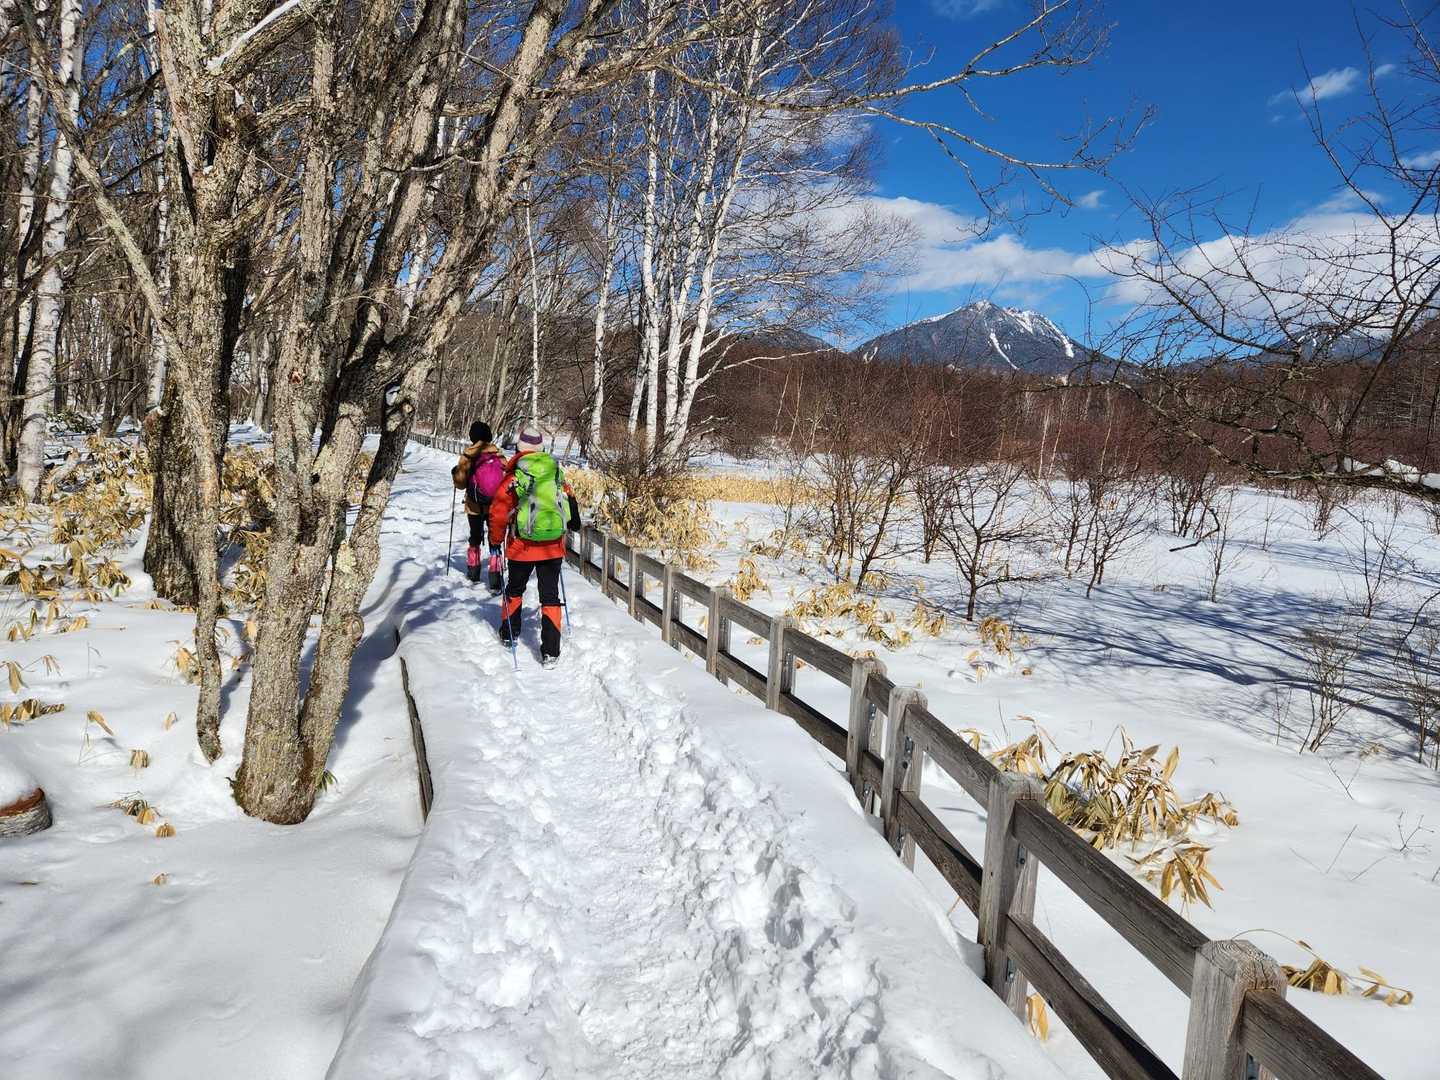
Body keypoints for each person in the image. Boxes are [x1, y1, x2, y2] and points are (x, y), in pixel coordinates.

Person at [488, 424, 581, 666]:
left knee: (514, 590)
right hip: (552, 545)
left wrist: (495, 539)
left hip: (522, 546)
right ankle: (551, 651)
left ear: (520, 447)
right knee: (550, 595)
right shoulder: (555, 472)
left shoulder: (514, 476)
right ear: (540, 448)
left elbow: (498, 511)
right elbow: (569, 500)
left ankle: (509, 633)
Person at [451, 421, 506, 590]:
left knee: (474, 537)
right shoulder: (498, 454)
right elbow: (506, 477)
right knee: (495, 539)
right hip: (495, 505)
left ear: (472, 437)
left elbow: (460, 484)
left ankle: (473, 572)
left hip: (474, 506)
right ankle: (495, 576)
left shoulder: (468, 455)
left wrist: (455, 474)